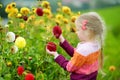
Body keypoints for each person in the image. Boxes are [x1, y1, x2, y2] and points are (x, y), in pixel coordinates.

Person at [46, 12, 105, 80]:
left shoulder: (83, 50)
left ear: (88, 32)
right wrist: (61, 39)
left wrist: (56, 55)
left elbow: (69, 67)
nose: (76, 32)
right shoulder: (95, 45)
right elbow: (76, 55)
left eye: (78, 30)